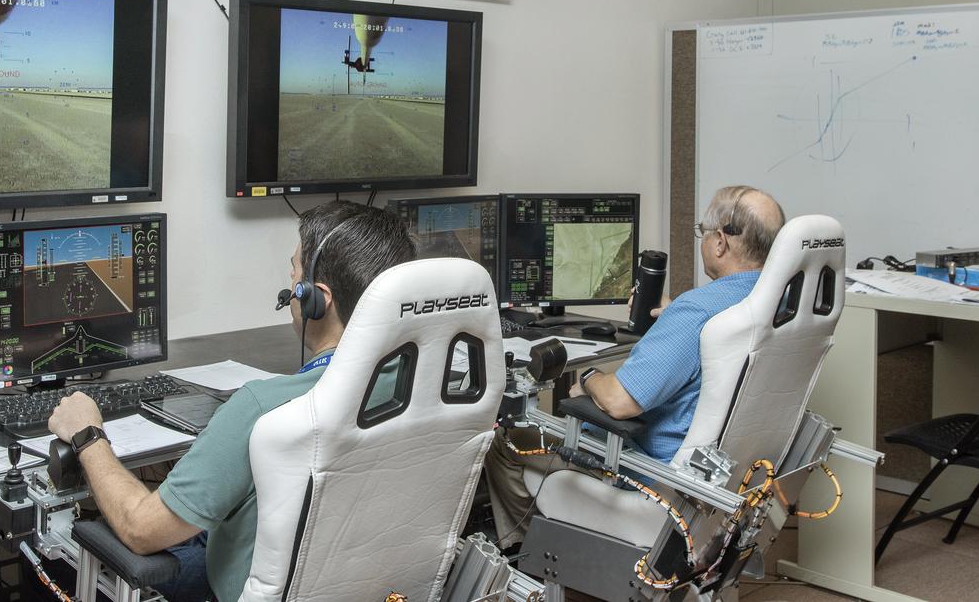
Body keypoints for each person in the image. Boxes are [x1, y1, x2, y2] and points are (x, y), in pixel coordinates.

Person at [47, 201, 416, 601]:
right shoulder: (422, 387)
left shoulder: (263, 408)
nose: (289, 286)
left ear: (315, 299)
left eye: (293, 273)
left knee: (54, 557)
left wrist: (88, 433)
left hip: (237, 587)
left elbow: (140, 529)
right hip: (367, 586)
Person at [484, 185, 786, 549]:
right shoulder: (779, 303)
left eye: (703, 233)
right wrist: (672, 314)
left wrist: (590, 379)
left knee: (505, 440)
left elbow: (620, 403)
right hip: (727, 480)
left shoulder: (697, 312)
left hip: (651, 475)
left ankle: (531, 553)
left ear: (720, 242)